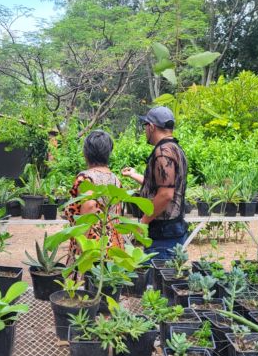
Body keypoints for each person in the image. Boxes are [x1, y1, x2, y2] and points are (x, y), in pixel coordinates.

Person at [122, 106, 188, 261]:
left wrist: (143, 222)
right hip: (172, 228)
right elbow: (163, 185)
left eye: (145, 126)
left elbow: (165, 194)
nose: (145, 130)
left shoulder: (163, 152)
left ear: (151, 127)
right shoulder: (175, 148)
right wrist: (134, 175)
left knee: (158, 274)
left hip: (163, 232)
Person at [63, 130, 124, 268]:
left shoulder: (86, 178)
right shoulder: (115, 179)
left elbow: (90, 207)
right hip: (112, 244)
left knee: (87, 279)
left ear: (86, 153)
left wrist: (81, 247)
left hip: (92, 245)